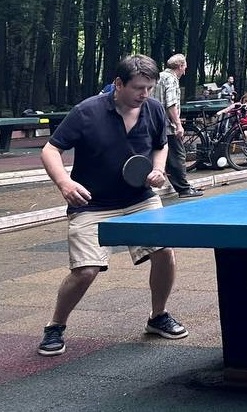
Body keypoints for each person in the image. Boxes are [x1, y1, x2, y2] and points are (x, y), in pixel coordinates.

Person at [36, 54, 189, 357]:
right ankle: (55, 326)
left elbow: (161, 145)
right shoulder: (87, 111)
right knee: (86, 270)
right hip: (92, 204)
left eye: (149, 88)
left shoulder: (154, 110)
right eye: (138, 88)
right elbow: (50, 150)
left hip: (140, 199)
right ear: (119, 84)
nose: (145, 94)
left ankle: (158, 316)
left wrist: (159, 169)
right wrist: (65, 183)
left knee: (164, 251)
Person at [152, 53, 203, 198]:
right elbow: (171, 104)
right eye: (185, 67)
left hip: (154, 123)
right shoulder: (171, 79)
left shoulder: (158, 76)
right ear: (180, 66)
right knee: (178, 156)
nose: (185, 70)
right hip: (168, 126)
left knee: (161, 154)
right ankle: (184, 189)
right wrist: (178, 125)